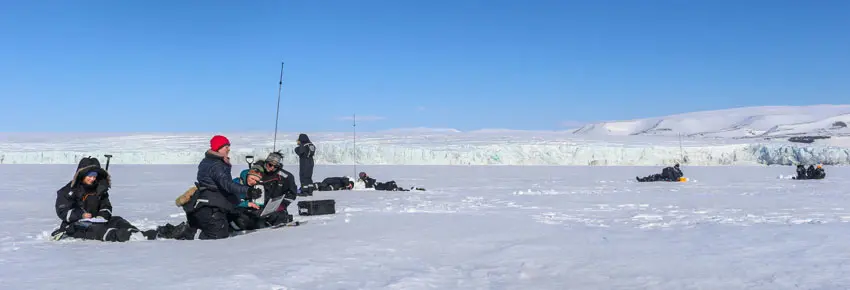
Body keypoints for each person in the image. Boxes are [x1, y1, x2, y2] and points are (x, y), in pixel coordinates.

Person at [51, 157, 155, 241]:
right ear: (81, 174)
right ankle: (125, 237)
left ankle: (137, 233)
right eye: (90, 176)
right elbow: (62, 211)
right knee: (98, 230)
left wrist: (102, 215)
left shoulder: (99, 190)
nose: (93, 179)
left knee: (118, 220)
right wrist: (81, 215)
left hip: (98, 221)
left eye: (95, 176)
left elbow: (106, 206)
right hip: (76, 225)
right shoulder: (67, 191)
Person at [181, 135, 262, 240]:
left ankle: (190, 229)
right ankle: (192, 235)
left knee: (224, 229)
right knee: (217, 237)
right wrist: (248, 191)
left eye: (229, 146)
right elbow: (227, 184)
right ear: (218, 148)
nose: (229, 149)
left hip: (208, 203)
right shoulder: (216, 165)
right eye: (226, 147)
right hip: (210, 206)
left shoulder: (210, 161)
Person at [229, 168, 294, 231]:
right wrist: (247, 204)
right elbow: (229, 201)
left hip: (248, 210)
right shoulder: (235, 184)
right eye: (252, 178)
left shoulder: (255, 186)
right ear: (247, 176)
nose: (253, 182)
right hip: (234, 212)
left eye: (256, 181)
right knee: (245, 220)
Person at [357, 172, 425, 191]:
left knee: (392, 183)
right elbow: (369, 184)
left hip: (381, 185)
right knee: (392, 184)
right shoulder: (366, 181)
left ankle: (412, 190)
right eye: (365, 175)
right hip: (380, 187)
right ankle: (412, 190)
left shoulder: (367, 180)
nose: (367, 175)